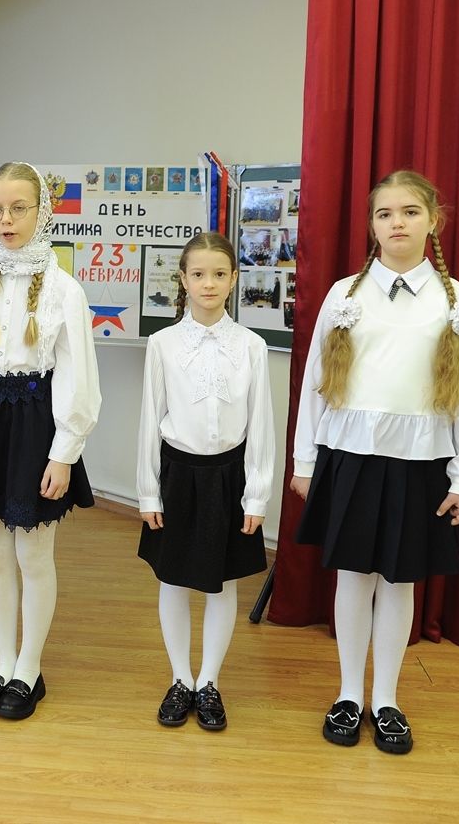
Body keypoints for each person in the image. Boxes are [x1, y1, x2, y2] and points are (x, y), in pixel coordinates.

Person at [290, 170, 459, 754]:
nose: (396, 223)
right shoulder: (344, 295)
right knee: (354, 575)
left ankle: (386, 700)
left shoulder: (455, 300)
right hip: (350, 456)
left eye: (409, 212)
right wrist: (305, 458)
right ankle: (349, 694)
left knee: (399, 580)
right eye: (385, 214)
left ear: (433, 221)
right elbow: (315, 383)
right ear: (372, 224)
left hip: (418, 461)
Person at [0, 161, 101, 720]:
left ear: (40, 212)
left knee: (33, 552)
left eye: (18, 208)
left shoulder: (63, 290)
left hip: (35, 424)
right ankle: (3, 661)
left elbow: (78, 378)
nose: (6, 220)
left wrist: (64, 453)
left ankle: (30, 667)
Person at [136, 232, 275, 731]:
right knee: (172, 579)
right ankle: (180, 678)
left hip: (229, 477)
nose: (208, 283)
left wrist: (257, 494)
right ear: (183, 279)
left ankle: (209, 681)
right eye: (198, 274)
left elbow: (261, 423)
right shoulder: (163, 343)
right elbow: (150, 419)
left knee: (222, 583)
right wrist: (148, 490)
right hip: (177, 474)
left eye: (219, 274)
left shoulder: (252, 346)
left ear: (234, 279)